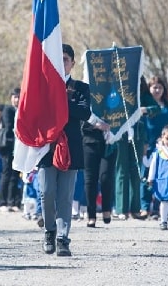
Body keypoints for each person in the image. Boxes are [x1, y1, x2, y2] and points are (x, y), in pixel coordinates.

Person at [39, 44, 91, 257]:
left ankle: (62, 238)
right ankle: (49, 230)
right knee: (46, 192)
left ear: (72, 62)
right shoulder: (42, 87)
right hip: (46, 147)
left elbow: (84, 112)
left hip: (71, 146)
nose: (62, 63)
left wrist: (60, 102)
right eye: (57, 59)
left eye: (66, 59)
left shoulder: (81, 88)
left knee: (65, 196)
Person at [141, 76, 168, 218]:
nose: (157, 90)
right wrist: (143, 144)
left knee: (162, 177)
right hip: (148, 146)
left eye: (160, 87)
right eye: (154, 87)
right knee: (146, 176)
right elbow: (142, 126)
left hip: (166, 147)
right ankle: (144, 207)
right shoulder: (145, 106)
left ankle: (157, 208)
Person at [81, 113, 114, 228]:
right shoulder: (85, 95)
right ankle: (91, 215)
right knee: (90, 179)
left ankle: (106, 209)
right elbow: (80, 115)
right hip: (90, 140)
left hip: (110, 141)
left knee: (105, 177)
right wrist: (95, 125)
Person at [0, 88, 22, 212]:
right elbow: (8, 126)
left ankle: (13, 201)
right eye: (15, 97)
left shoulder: (23, 109)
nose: (17, 99)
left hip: (19, 146)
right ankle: (2, 201)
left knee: (15, 175)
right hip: (8, 146)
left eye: (19, 96)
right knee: (6, 173)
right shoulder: (8, 109)